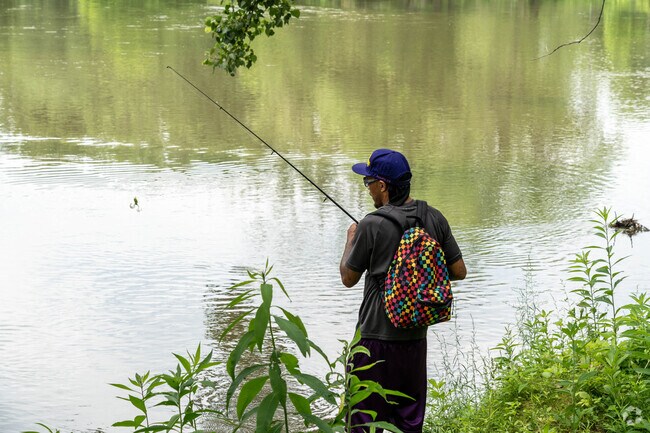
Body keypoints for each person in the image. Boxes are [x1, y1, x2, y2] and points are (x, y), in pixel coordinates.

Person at [339, 148, 467, 433]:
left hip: (372, 342)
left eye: (368, 182)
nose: (368, 189)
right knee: (409, 425)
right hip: (414, 342)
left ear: (382, 186)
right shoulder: (433, 218)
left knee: (362, 424)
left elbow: (348, 278)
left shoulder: (371, 224)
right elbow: (459, 272)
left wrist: (350, 239)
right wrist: (420, 278)